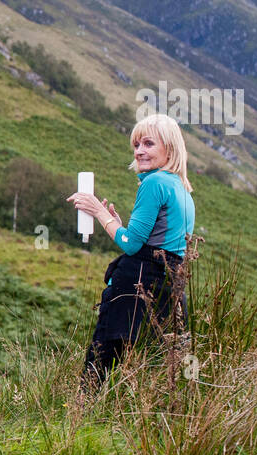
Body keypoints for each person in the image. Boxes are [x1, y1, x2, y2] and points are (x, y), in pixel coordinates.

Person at [67, 113, 195, 384]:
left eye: (148, 144)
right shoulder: (181, 188)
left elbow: (131, 244)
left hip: (138, 283)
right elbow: (155, 239)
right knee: (154, 360)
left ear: (169, 148)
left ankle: (83, 413)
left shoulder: (154, 183)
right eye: (136, 145)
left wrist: (98, 212)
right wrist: (116, 224)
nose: (139, 151)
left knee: (104, 356)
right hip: (171, 283)